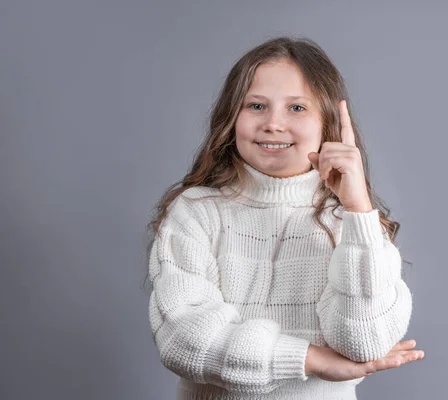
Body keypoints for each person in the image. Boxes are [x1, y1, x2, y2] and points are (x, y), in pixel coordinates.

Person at [146, 35, 424, 400]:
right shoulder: (196, 212)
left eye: (296, 108)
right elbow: (184, 339)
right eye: (256, 105)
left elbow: (364, 341)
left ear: (327, 122)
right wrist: (309, 359)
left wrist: (359, 210)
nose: (273, 124)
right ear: (231, 118)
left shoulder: (355, 225)